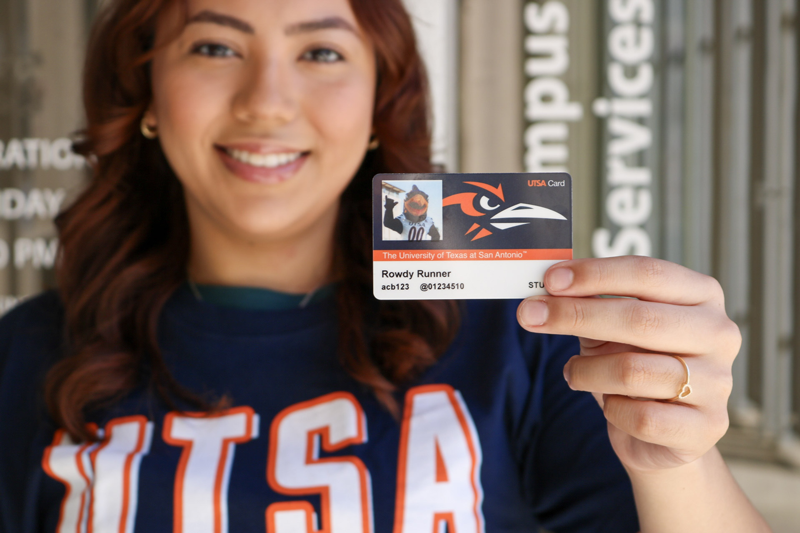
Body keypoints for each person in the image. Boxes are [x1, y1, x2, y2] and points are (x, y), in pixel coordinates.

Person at [0, 0, 770, 531]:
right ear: (147, 93)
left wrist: (679, 460)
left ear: (378, 100)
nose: (267, 102)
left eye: (322, 51)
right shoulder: (27, 356)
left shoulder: (520, 336)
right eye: (215, 46)